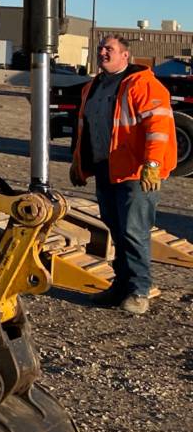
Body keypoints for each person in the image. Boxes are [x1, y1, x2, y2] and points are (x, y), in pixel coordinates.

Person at [68, 34, 178, 313]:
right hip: (108, 169)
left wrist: (152, 165)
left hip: (137, 172)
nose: (103, 52)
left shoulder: (143, 85)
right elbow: (87, 129)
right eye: (100, 48)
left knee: (133, 231)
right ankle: (121, 287)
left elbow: (158, 128)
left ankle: (139, 292)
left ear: (125, 56)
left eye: (109, 49)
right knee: (116, 230)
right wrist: (79, 163)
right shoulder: (93, 86)